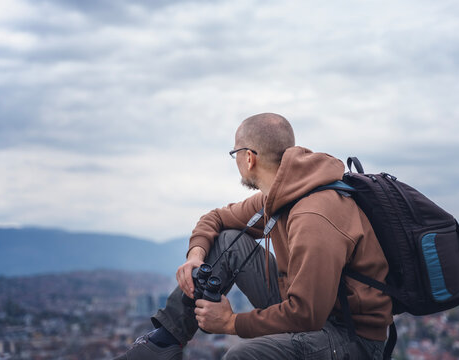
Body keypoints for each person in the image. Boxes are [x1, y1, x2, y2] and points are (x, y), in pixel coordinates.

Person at [114, 113, 392, 360]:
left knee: (243, 354)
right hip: (313, 310)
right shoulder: (281, 195)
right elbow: (216, 219)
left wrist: (230, 323)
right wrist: (195, 256)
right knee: (227, 241)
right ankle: (164, 344)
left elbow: (308, 315)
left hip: (351, 337)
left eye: (234, 153)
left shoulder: (314, 215)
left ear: (249, 157)